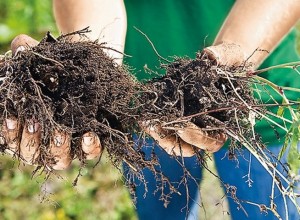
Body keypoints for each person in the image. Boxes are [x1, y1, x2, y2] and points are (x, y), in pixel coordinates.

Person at [5, 0, 300, 219]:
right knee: (161, 209)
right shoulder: (127, 98)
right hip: (138, 104)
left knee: (267, 208)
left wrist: (231, 63)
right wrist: (88, 64)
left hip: (250, 92)